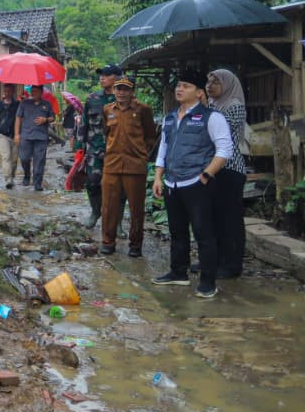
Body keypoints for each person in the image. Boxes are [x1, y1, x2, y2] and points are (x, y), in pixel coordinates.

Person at [152, 68, 234, 299]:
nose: (179, 89)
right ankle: (178, 272)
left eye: (186, 86)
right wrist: (158, 177)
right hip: (172, 182)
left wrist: (206, 176)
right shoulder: (170, 117)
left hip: (197, 183)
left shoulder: (212, 118)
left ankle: (208, 281)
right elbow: (164, 149)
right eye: (178, 85)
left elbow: (224, 150)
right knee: (177, 231)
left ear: (199, 93)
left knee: (204, 233)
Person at [100, 76, 157, 257]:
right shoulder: (107, 110)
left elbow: (150, 136)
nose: (121, 93)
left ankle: (135, 245)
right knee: (109, 207)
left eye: (125, 89)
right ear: (114, 90)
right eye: (118, 89)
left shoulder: (143, 110)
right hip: (112, 165)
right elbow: (106, 132)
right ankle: (108, 242)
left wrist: (141, 155)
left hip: (135, 166)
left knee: (136, 208)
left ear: (132, 92)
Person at [206, 69, 248, 278]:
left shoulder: (234, 106)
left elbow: (216, 134)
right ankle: (215, 261)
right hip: (213, 169)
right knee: (213, 218)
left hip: (230, 169)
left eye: (215, 82)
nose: (209, 85)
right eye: (208, 81)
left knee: (230, 219)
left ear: (228, 84)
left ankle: (232, 265)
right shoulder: (212, 105)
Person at [77, 65, 120, 229]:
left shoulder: (122, 99)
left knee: (117, 187)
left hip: (117, 151)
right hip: (95, 150)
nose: (102, 78)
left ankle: (117, 222)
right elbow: (84, 123)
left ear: (116, 77)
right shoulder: (92, 98)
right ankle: (96, 212)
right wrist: (79, 148)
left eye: (106, 75)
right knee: (92, 183)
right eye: (101, 75)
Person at [15, 84, 55, 191]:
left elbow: (53, 118)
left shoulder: (47, 104)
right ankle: (27, 175)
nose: (33, 93)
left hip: (41, 138)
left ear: (41, 92)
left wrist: (45, 119)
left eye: (36, 91)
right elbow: (18, 118)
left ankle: (37, 183)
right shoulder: (24, 103)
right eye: (32, 91)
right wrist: (16, 134)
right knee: (24, 158)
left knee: (39, 161)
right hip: (26, 137)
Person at [0, 85, 20, 189]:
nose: (7, 93)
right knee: (6, 157)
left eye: (9, 91)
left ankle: (12, 176)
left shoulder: (17, 104)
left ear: (13, 92)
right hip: (2, 134)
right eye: (5, 91)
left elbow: (21, 118)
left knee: (14, 159)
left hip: (15, 135)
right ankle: (8, 179)